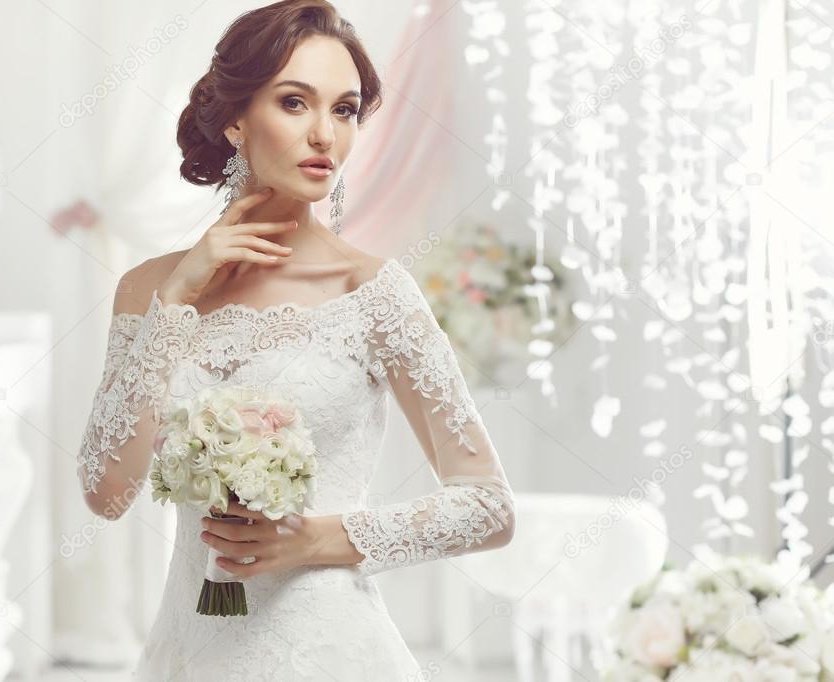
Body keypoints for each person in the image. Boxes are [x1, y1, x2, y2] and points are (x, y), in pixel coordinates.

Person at [75, 1, 516, 678]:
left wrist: (315, 538)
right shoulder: (148, 290)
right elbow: (104, 492)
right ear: (234, 120)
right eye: (293, 103)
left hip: (331, 649)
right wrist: (178, 298)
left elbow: (487, 508)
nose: (324, 135)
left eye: (343, 110)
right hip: (192, 650)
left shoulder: (372, 292)